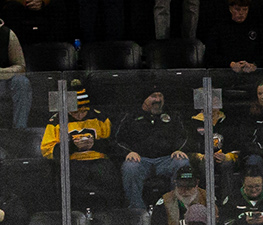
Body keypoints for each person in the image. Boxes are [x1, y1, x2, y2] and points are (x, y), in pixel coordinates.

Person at [40, 81, 119, 211]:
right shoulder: (56, 121)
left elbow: (112, 144)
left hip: (98, 161)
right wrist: (72, 146)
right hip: (72, 162)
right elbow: (47, 150)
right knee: (71, 179)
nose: (80, 116)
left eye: (83, 111)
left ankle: (110, 212)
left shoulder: (100, 117)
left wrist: (95, 144)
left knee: (107, 174)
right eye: (75, 112)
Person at [118, 90, 191, 211]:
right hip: (141, 160)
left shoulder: (173, 115)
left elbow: (186, 136)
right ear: (144, 99)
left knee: (182, 163)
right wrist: (128, 152)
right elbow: (117, 139)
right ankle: (137, 209)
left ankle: (177, 206)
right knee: (130, 167)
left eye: (160, 96)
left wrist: (179, 150)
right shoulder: (131, 116)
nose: (157, 99)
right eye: (153, 96)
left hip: (166, 159)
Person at [206, 0, 263, 75]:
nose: (241, 13)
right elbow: (211, 55)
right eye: (237, 9)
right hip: (225, 74)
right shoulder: (219, 28)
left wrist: (255, 65)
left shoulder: (256, 27)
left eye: (245, 9)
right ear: (230, 9)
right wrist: (230, 64)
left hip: (252, 75)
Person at [0, 16, 27, 129]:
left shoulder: (7, 34)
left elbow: (21, 67)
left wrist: (2, 72)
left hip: (3, 81)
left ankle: (19, 131)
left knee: (22, 82)